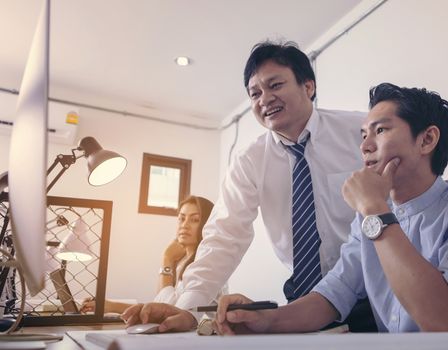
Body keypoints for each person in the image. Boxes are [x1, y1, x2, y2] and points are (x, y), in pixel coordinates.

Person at [213, 82, 448, 334]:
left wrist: (374, 208)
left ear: (427, 139)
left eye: (381, 130)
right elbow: (332, 295)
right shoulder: (370, 218)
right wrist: (265, 320)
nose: (364, 146)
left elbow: (443, 320)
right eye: (363, 135)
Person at [121, 41, 372, 332]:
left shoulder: (361, 132)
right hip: (303, 300)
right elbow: (224, 235)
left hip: (373, 291)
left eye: (275, 85)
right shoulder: (249, 160)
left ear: (308, 86)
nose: (265, 99)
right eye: (255, 93)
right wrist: (188, 307)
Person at [81, 195, 217, 314]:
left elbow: (171, 311)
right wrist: (109, 306)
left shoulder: (204, 263)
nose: (184, 225)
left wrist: (167, 259)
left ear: (207, 224)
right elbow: (159, 305)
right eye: (181, 219)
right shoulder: (182, 261)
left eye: (194, 220)